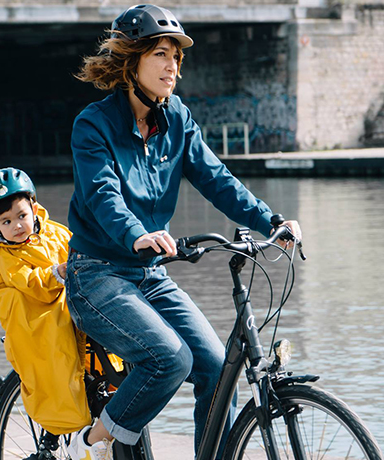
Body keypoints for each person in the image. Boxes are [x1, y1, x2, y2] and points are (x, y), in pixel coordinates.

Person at [64, 5, 303, 460]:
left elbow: (217, 179)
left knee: (216, 368)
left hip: (150, 275)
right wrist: (137, 233)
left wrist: (270, 221)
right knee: (171, 358)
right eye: (160, 53)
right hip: (97, 274)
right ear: (131, 60)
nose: (172, 66)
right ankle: (93, 442)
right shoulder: (93, 125)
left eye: (177, 56)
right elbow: (103, 196)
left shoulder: (177, 120)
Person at [0, 167, 92, 436]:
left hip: (72, 302)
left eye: (22, 216)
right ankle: (74, 426)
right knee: (58, 360)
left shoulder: (56, 233)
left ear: (34, 208)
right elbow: (29, 282)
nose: (16, 226)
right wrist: (55, 273)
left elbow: (80, 249)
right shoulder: (4, 255)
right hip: (40, 315)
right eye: (5, 221)